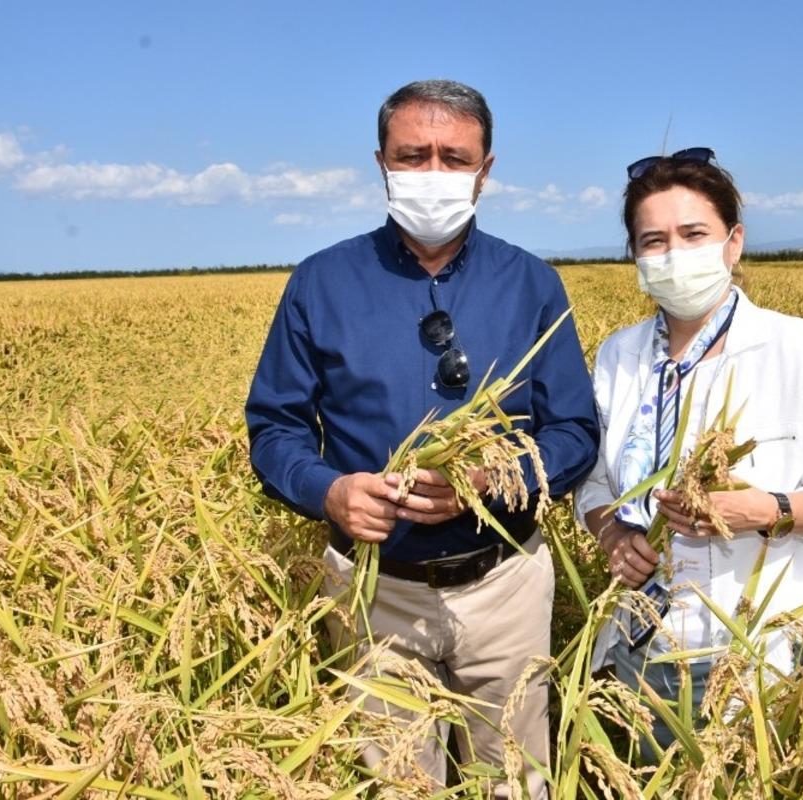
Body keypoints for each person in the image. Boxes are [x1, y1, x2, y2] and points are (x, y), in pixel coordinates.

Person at [245, 79, 599, 797]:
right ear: (381, 162)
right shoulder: (320, 283)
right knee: (397, 782)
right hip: (376, 592)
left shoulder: (531, 283)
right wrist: (330, 491)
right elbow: (274, 425)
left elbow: (574, 431)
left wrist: (494, 482)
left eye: (453, 157)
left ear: (485, 169)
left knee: (515, 781)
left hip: (504, 583)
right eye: (413, 156)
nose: (433, 174)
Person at [574, 148, 803, 752]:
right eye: (653, 240)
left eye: (694, 234)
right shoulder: (620, 354)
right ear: (634, 255)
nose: (674, 254)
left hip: (763, 645)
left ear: (733, 243)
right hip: (646, 638)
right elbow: (596, 482)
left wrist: (763, 511)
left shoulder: (797, 347)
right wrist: (613, 537)